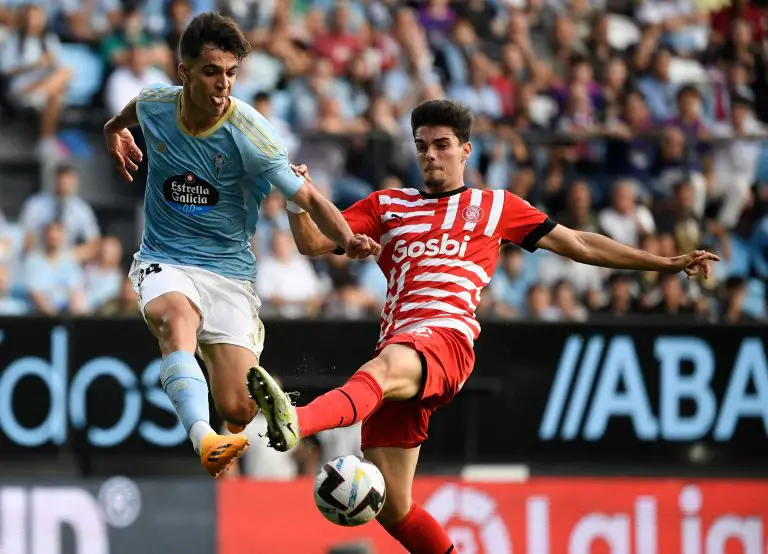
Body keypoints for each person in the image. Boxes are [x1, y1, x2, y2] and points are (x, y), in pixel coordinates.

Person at [246, 99, 718, 552]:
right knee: (392, 505)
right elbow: (311, 243)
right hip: (402, 341)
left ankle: (298, 422)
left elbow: (581, 245)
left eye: (442, 144)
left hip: (446, 339)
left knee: (383, 369)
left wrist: (666, 263)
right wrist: (297, 200)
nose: (431, 154)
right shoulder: (387, 205)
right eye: (422, 145)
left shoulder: (496, 207)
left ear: (466, 150)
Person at [102, 12, 378, 479]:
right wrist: (114, 132)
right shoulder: (154, 105)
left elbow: (308, 195)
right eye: (212, 72)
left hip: (230, 274)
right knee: (176, 320)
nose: (223, 84)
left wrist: (347, 239)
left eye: (231, 73)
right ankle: (204, 438)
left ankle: (234, 416)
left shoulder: (250, 132)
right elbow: (124, 115)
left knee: (239, 407)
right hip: (165, 260)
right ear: (184, 73)